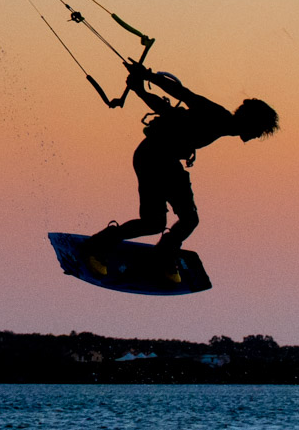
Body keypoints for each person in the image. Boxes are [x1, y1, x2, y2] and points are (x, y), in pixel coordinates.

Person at [83, 63, 278, 282]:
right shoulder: (217, 115)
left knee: (189, 219)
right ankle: (96, 248)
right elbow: (183, 93)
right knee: (154, 223)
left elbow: (168, 111)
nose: (257, 136)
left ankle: (163, 256)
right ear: (249, 122)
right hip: (152, 157)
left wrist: (140, 90)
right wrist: (147, 76)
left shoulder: (225, 126)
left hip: (167, 162)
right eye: (259, 130)